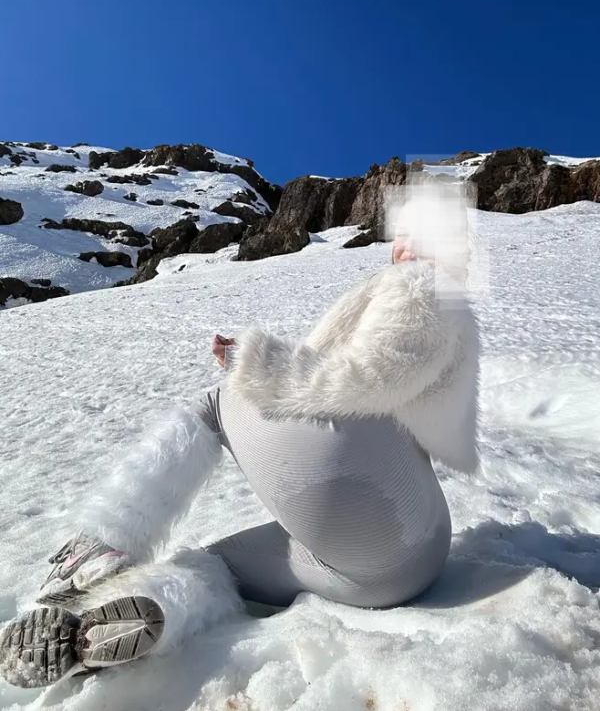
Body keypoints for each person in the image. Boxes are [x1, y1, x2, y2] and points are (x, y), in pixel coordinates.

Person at [0, 186, 480, 689]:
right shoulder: (459, 313)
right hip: (407, 563)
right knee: (222, 565)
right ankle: (114, 623)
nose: (399, 240)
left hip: (368, 496)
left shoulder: (422, 285)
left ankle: (102, 543)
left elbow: (368, 379)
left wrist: (250, 364)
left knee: (213, 405)